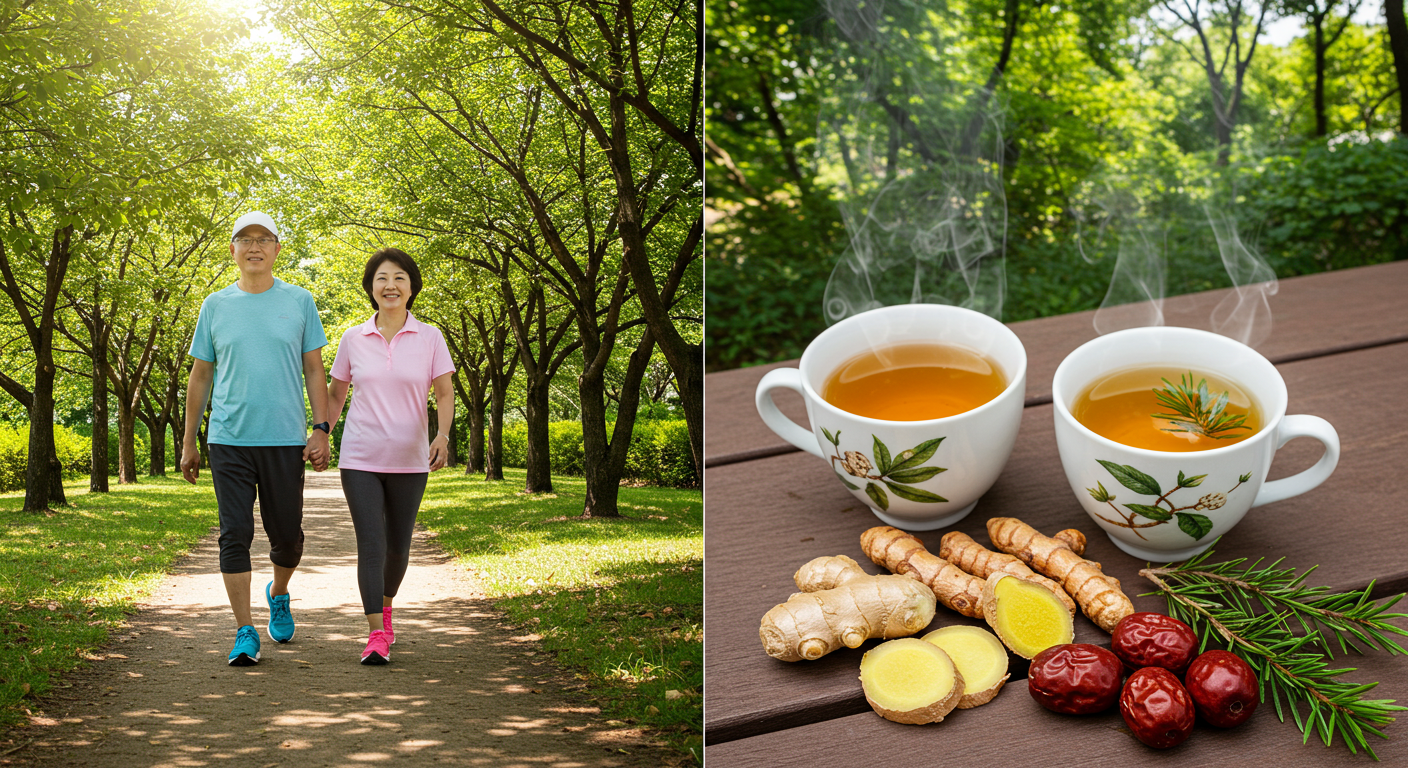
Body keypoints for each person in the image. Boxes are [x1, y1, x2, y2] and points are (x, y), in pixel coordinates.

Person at [180, 211, 331, 666]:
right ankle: (244, 629)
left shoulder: (301, 301)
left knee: (287, 537)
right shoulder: (215, 305)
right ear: (233, 250)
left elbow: (313, 369)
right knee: (235, 534)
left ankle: (278, 592)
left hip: (285, 439)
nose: (254, 246)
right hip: (229, 439)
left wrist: (321, 428)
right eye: (245, 239)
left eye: (264, 239)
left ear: (277, 250)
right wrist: (190, 440)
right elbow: (200, 376)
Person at [327, 247, 455, 664]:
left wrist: (443, 435)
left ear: (412, 287)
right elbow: (336, 394)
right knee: (372, 544)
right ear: (370, 288)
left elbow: (445, 391)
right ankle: (375, 634)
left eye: (399, 278)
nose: (390, 286)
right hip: (360, 456)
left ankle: (386, 608)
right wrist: (321, 432)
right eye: (382, 278)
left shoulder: (431, 337)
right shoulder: (352, 337)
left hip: (410, 460)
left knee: (399, 548)